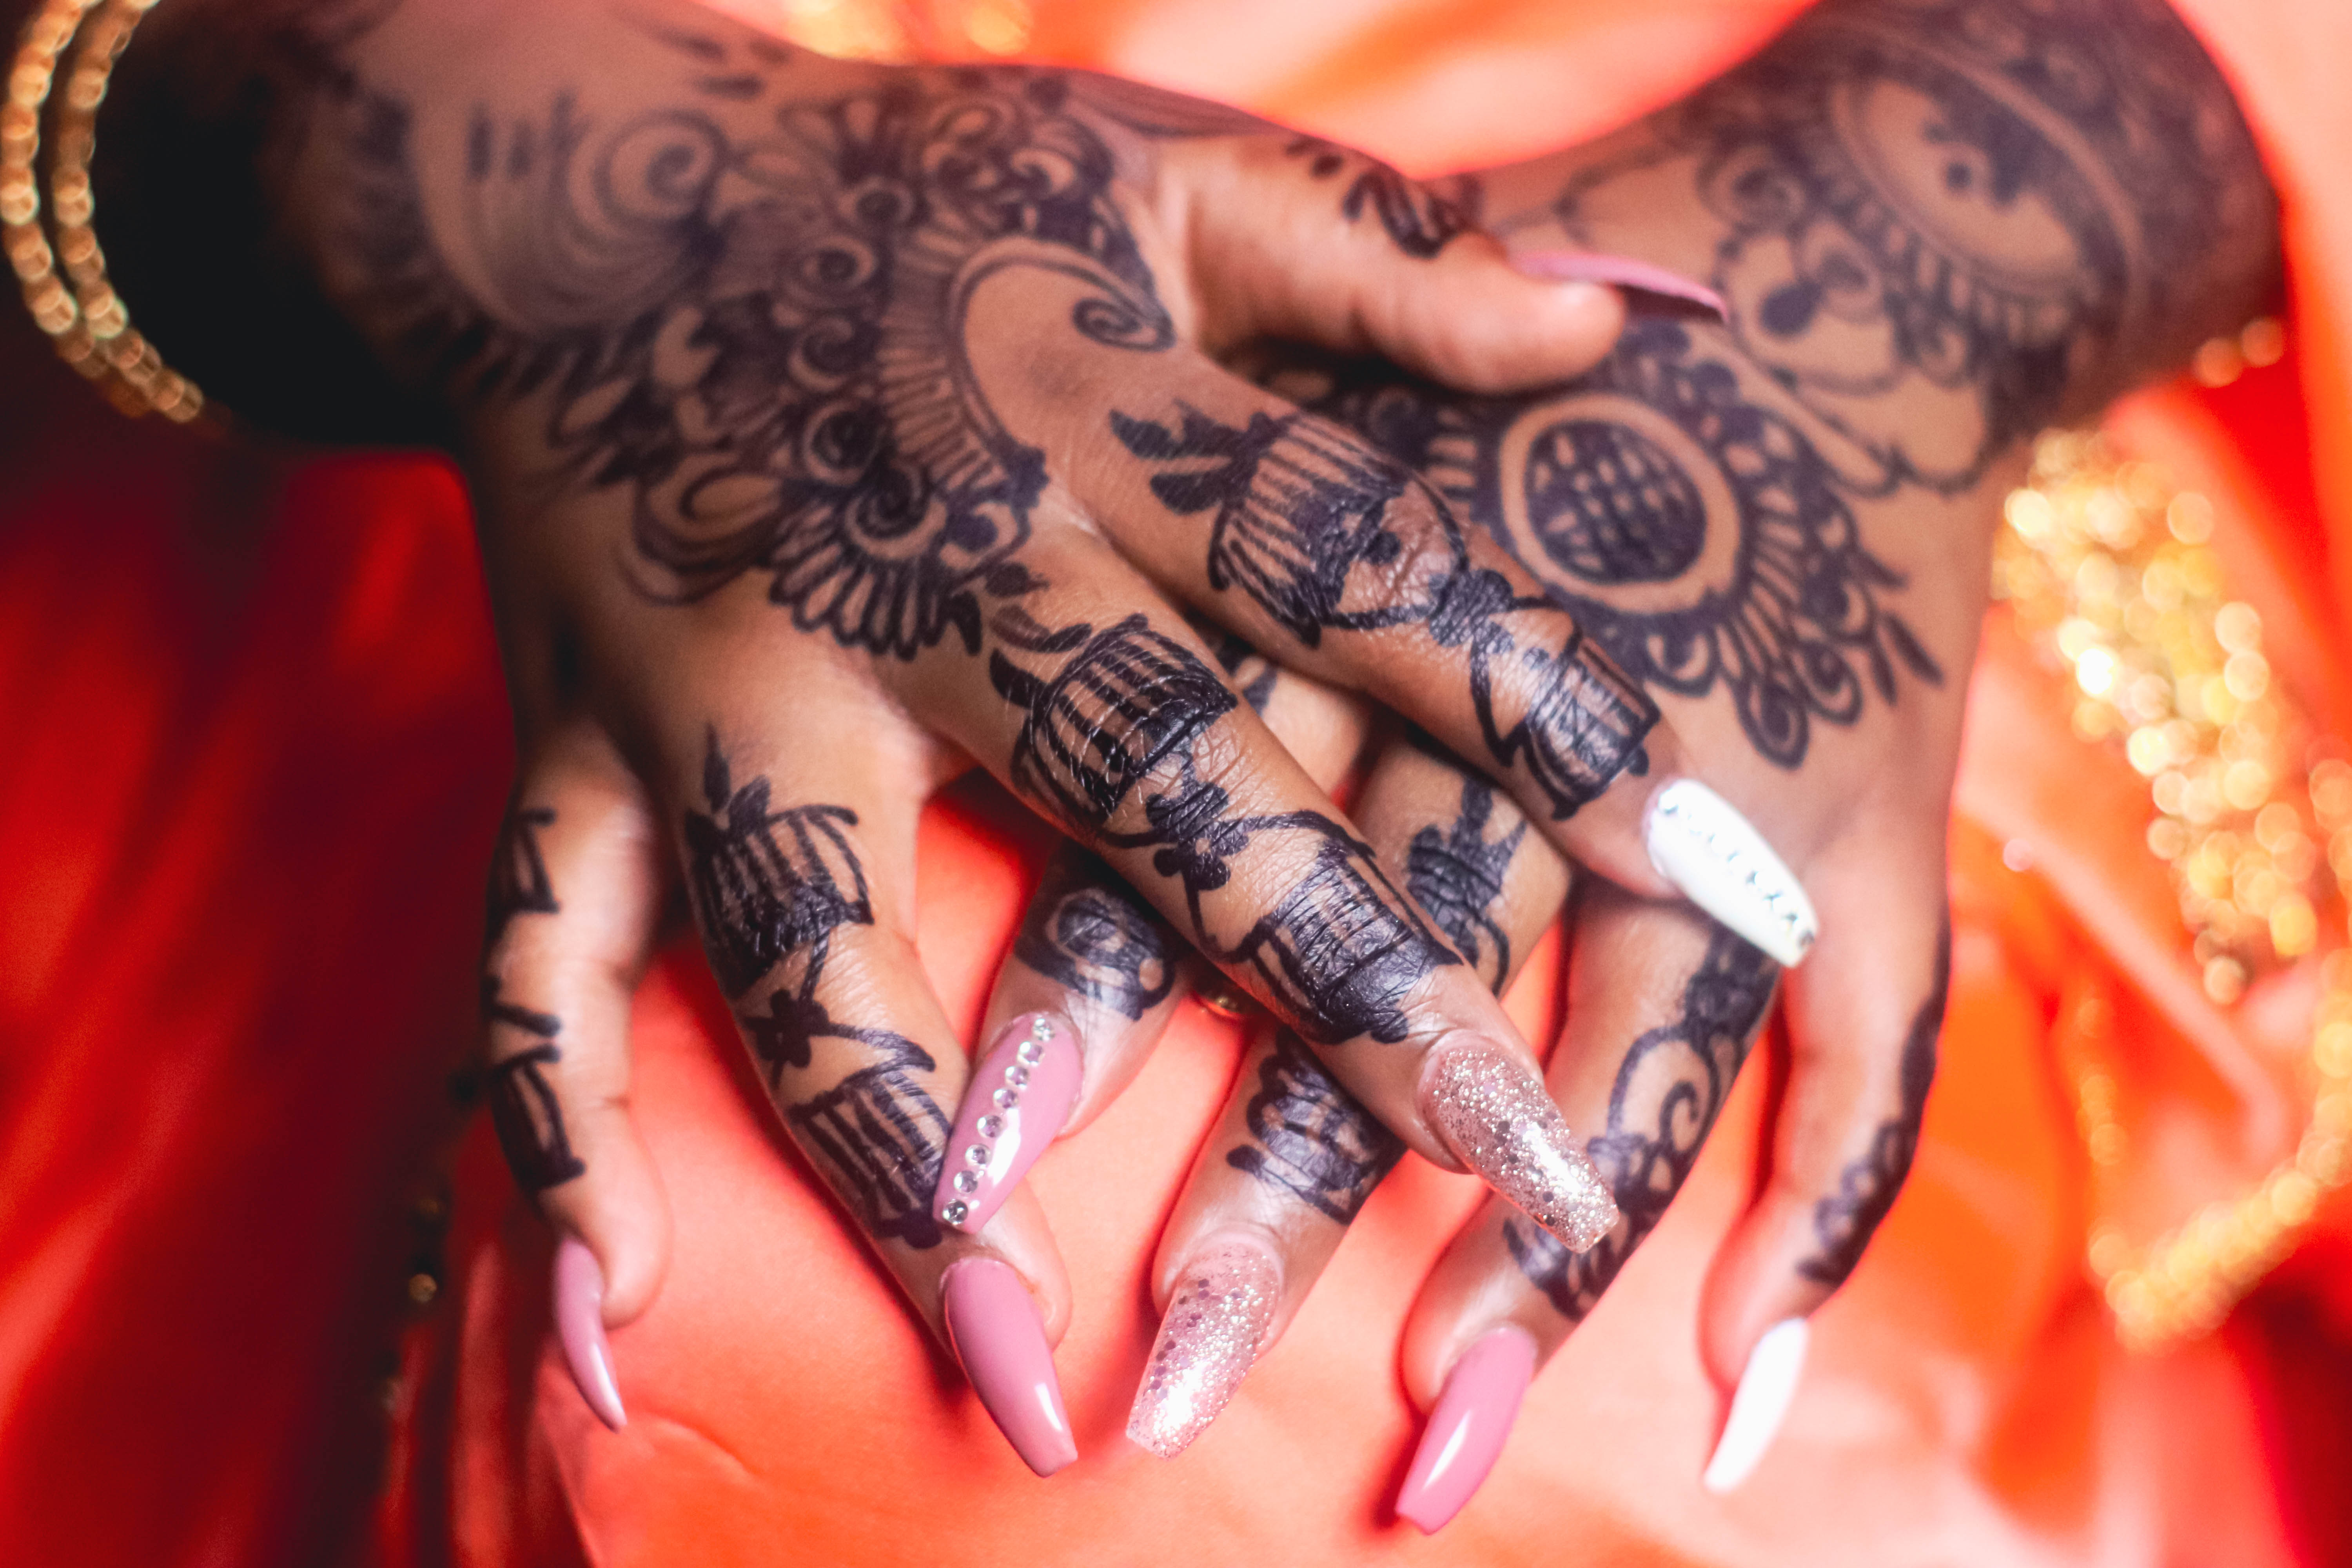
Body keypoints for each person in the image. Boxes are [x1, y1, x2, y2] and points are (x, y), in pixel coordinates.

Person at [0, 0, 2344, 1563]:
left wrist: (1950, 209)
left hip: (1852, 223)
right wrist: (460, 153)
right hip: (539, 287)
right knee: (820, 1260)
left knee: (1218, 1370)